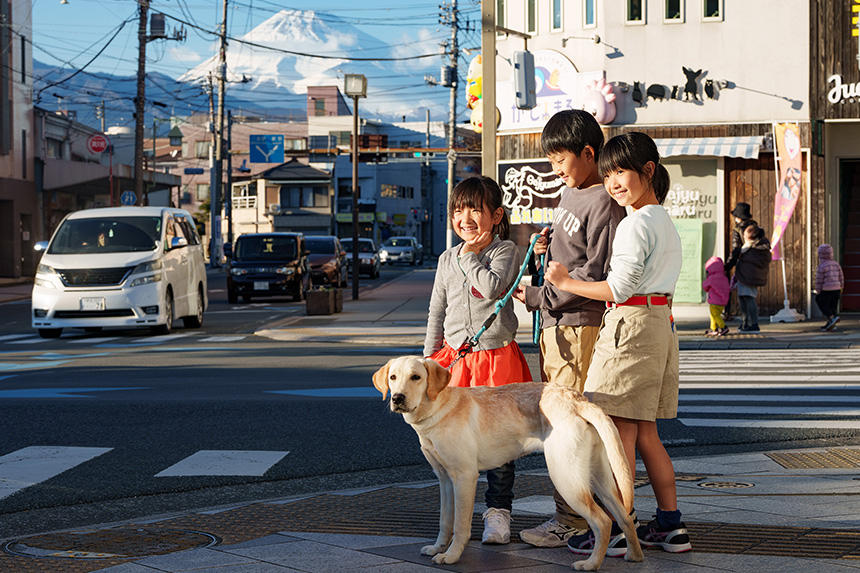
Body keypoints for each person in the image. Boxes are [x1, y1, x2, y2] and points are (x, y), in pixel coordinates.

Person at [544, 131, 691, 556]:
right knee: (647, 433)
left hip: (631, 325)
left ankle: (615, 526)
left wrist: (566, 282)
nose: (613, 183)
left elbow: (621, 288)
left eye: (620, 172)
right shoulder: (663, 220)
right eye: (608, 175)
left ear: (648, 171)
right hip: (659, 322)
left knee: (618, 433)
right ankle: (669, 525)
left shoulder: (633, 224)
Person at [512, 109, 626, 548]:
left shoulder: (602, 201)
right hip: (555, 327)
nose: (554, 169)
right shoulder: (569, 195)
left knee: (568, 426)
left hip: (578, 326)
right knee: (556, 422)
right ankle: (576, 515)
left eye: (560, 160)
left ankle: (574, 520)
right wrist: (543, 248)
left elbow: (592, 275)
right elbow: (567, 256)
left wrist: (540, 296)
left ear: (588, 152)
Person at [423, 175, 533, 546]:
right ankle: (457, 518)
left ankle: (498, 513)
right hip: (455, 359)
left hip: (496, 357)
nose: (464, 218)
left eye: (475, 209)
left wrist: (469, 256)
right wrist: (427, 358)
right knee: (452, 440)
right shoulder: (445, 258)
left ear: (496, 214)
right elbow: (436, 310)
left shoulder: (504, 251)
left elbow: (489, 286)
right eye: (458, 210)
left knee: (500, 439)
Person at [734, 224, 771, 333]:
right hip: (745, 276)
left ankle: (753, 323)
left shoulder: (757, 248)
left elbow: (752, 261)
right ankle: (745, 323)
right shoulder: (753, 246)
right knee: (743, 299)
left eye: (746, 235)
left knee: (749, 299)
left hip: (749, 277)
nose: (744, 237)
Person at [723, 202, 754, 319]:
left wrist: (727, 266)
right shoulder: (755, 227)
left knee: (743, 295)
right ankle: (751, 321)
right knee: (750, 295)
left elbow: (736, 250)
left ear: (738, 217)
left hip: (743, 265)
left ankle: (747, 322)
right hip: (755, 265)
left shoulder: (738, 229)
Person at [814, 243, 844, 331]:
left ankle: (832, 318)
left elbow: (819, 279)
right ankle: (831, 324)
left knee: (821, 302)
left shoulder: (822, 266)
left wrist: (818, 290)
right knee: (833, 306)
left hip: (826, 289)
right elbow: (841, 276)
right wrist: (841, 286)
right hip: (837, 289)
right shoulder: (836, 264)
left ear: (820, 255)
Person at [702, 256, 730, 336]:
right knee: (714, 315)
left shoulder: (712, 278)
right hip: (722, 302)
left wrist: (706, 280)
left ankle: (723, 327)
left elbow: (705, 287)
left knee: (715, 315)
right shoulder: (724, 278)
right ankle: (713, 328)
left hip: (714, 301)